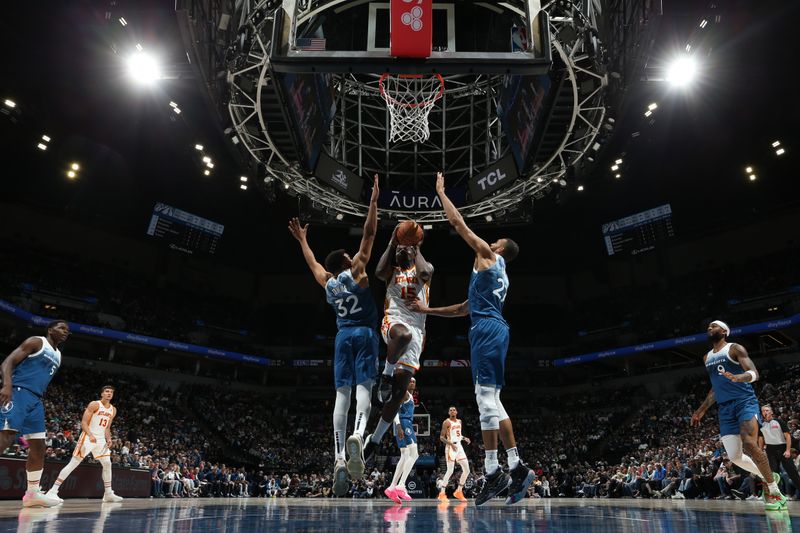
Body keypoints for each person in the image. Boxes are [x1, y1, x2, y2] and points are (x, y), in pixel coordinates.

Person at [409, 172, 532, 507]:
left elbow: (458, 222)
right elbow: (464, 308)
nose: (490, 240)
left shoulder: (489, 256)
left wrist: (440, 193)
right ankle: (514, 466)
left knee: (484, 399)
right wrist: (428, 310)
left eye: (497, 240)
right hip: (492, 328)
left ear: (501, 248)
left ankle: (497, 471)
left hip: (488, 332)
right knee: (493, 401)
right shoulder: (497, 275)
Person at [287, 175, 380, 496]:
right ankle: (358, 433)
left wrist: (302, 240)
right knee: (364, 387)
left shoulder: (328, 282)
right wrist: (373, 202)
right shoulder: (357, 271)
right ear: (346, 260)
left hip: (341, 337)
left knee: (342, 394)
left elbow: (312, 263)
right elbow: (369, 234)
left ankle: (339, 457)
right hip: (365, 334)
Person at [348, 221, 433, 474]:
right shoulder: (391, 271)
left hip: (418, 332)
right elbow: (378, 271)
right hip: (393, 323)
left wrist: (414, 247)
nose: (400, 253)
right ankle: (385, 374)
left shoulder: (422, 271)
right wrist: (393, 242)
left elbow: (427, 273)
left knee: (398, 395)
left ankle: (373, 442)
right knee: (402, 335)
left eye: (403, 251)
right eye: (398, 251)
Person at [691, 320, 787, 510]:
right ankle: (767, 475)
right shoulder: (707, 357)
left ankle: (775, 491)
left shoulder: (734, 349)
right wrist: (701, 409)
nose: (709, 328)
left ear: (724, 331)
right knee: (734, 457)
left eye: (714, 326)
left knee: (749, 443)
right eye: (708, 327)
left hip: (745, 402)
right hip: (725, 408)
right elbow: (715, 389)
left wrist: (738, 377)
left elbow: (754, 373)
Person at [0, 320, 69, 507]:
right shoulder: (37, 342)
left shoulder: (59, 355)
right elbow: (8, 361)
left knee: (39, 447)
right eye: (61, 328)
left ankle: (32, 494)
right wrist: (7, 385)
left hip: (36, 400)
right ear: (50, 329)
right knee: (6, 437)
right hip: (19, 392)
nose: (65, 332)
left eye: (67, 330)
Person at [45, 385, 123, 502]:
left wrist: (109, 439)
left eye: (111, 392)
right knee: (74, 463)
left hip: (101, 440)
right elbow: (84, 423)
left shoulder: (113, 409)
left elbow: (107, 427)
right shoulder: (94, 404)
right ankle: (52, 491)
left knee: (107, 463)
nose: (109, 393)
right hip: (88, 437)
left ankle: (108, 493)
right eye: (107, 391)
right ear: (102, 393)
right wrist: (90, 435)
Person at [384, 377, 419, 504]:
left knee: (404, 455)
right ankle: (402, 485)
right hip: (404, 423)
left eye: (414, 381)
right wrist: (399, 426)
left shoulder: (407, 394)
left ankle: (392, 487)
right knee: (414, 454)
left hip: (403, 424)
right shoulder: (404, 393)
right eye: (410, 381)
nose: (413, 383)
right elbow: (394, 409)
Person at [759, 405, 800, 497]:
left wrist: (788, 450)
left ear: (771, 412)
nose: (765, 412)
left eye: (766, 410)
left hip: (782, 448)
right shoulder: (761, 425)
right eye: (763, 411)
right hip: (770, 450)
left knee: (792, 472)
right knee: (775, 474)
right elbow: (761, 439)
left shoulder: (779, 421)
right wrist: (761, 451)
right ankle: (779, 495)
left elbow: (788, 436)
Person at [438, 406, 471, 502]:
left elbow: (458, 435)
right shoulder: (446, 422)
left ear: (456, 412)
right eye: (450, 410)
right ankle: (442, 493)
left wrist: (465, 438)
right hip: (450, 447)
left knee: (467, 470)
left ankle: (459, 491)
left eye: (454, 410)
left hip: (459, 447)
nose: (452, 411)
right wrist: (451, 444)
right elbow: (441, 437)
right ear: (449, 413)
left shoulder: (459, 421)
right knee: (450, 470)